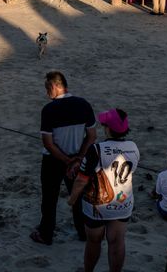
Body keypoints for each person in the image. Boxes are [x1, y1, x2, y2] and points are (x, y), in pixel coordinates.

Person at [68, 108, 139, 272]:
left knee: (93, 241)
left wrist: (72, 199)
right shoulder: (133, 147)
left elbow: (81, 180)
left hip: (97, 205)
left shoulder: (96, 149)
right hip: (122, 203)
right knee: (117, 241)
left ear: (108, 128)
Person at [30, 71, 96, 245]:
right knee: (79, 197)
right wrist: (79, 157)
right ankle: (83, 233)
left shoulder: (49, 109)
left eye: (47, 88)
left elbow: (48, 143)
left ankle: (46, 234)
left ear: (55, 86)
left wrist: (67, 161)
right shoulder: (84, 105)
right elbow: (91, 136)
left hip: (54, 161)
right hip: (77, 158)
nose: (46, 93)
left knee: (50, 198)